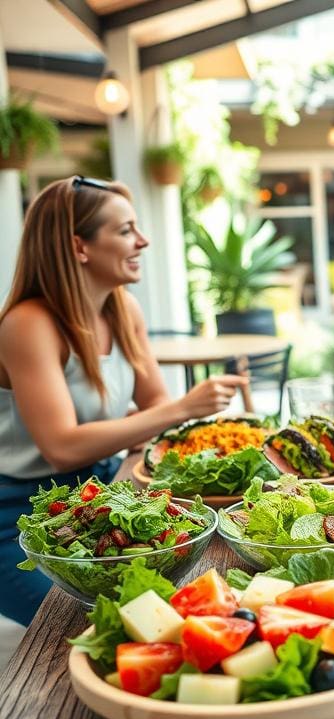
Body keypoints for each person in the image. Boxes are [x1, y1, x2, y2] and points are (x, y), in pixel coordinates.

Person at [0, 176, 247, 625]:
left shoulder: (122, 309)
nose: (143, 241)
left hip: (102, 496)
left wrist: (144, 420)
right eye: (126, 230)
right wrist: (182, 408)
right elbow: (62, 448)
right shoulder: (28, 324)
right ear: (79, 246)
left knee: (171, 598)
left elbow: (153, 404)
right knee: (102, 621)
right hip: (19, 517)